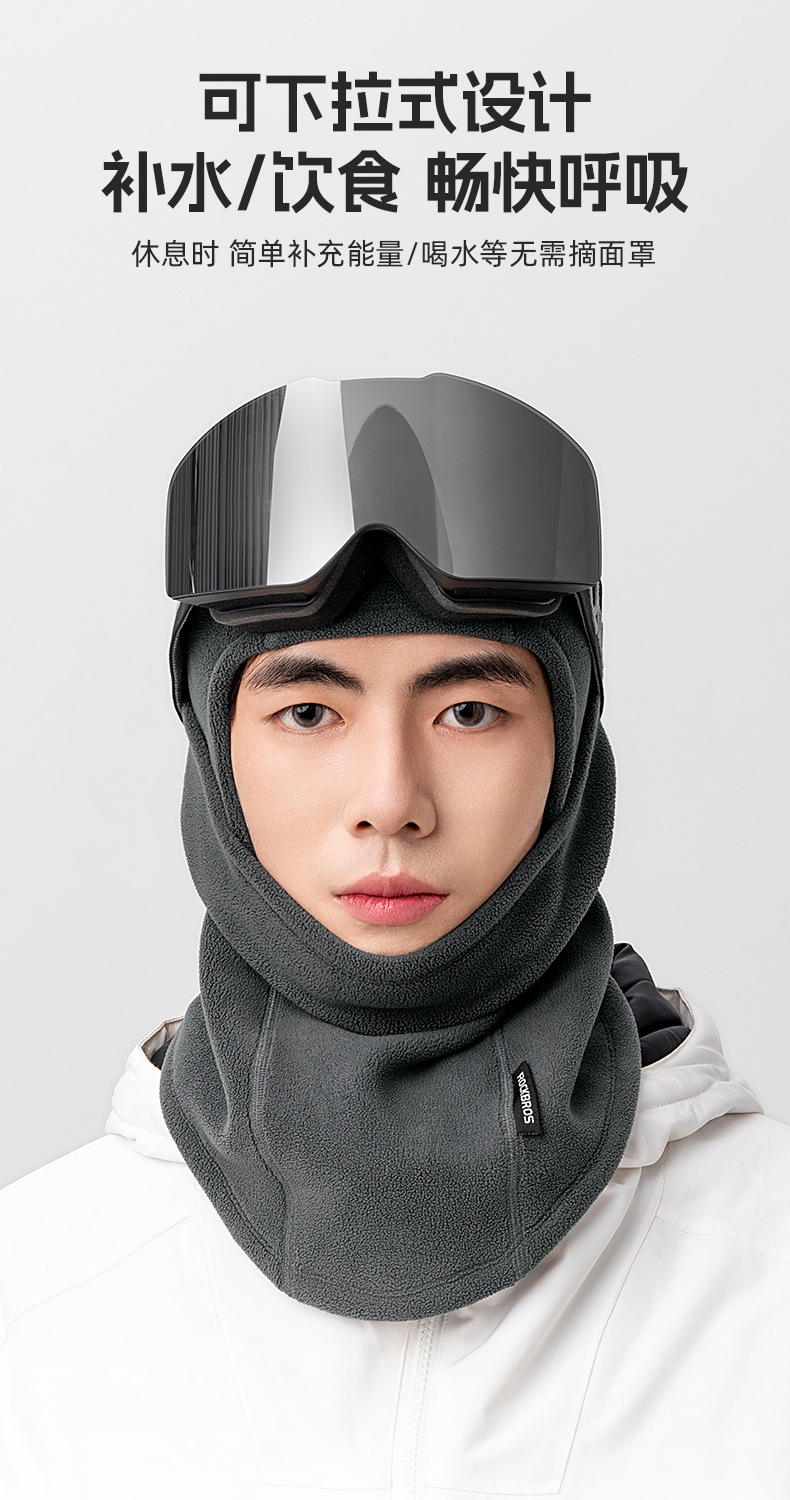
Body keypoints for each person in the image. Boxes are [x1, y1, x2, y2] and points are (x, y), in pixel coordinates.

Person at [1, 374, 788, 1499]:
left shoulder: (766, 1266)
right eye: (307, 711)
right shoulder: (35, 1301)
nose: (390, 801)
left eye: (468, 710)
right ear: (215, 750)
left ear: (570, 748)